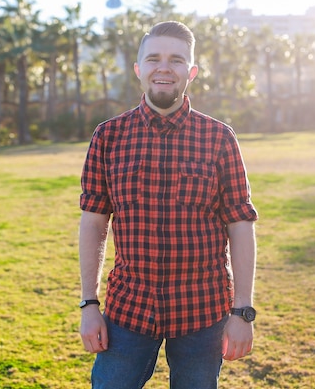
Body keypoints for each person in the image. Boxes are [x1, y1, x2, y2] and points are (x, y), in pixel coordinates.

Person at [78, 21, 259, 389]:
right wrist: (89, 305)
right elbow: (94, 224)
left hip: (202, 313)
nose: (164, 68)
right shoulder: (108, 136)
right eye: (154, 59)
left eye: (176, 60)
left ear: (190, 72)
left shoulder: (219, 138)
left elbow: (241, 224)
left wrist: (243, 311)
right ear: (139, 69)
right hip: (128, 311)